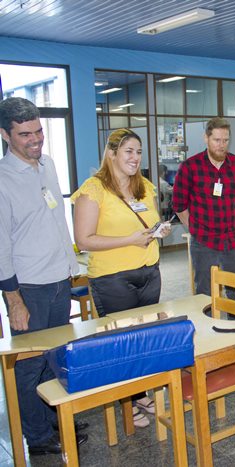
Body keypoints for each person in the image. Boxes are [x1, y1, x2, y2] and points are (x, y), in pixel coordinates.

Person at [0, 97, 88, 454]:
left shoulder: (47, 164)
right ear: (6, 135)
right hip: (29, 288)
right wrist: (14, 300)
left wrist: (72, 268)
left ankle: (54, 418)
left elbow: (54, 219)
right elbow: (1, 246)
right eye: (25, 135)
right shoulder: (3, 181)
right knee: (28, 365)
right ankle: (36, 437)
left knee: (54, 356)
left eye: (38, 131)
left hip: (58, 280)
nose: (35, 140)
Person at [72, 128, 170, 427]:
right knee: (122, 341)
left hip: (148, 272)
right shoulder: (94, 189)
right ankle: (127, 401)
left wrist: (157, 232)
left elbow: (149, 224)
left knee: (143, 339)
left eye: (138, 152)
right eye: (128, 151)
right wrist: (129, 239)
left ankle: (138, 393)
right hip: (113, 278)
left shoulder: (145, 187)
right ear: (111, 153)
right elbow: (84, 239)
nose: (135, 157)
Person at [172, 117, 235, 296]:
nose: (221, 145)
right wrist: (194, 229)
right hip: (203, 241)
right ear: (206, 138)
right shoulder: (190, 167)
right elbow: (179, 204)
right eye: (216, 140)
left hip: (233, 240)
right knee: (204, 293)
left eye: (225, 140)